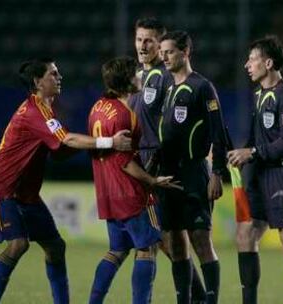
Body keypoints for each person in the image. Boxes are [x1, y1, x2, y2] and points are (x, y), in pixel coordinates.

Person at [0, 57, 132, 304]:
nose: (59, 77)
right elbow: (66, 141)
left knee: (55, 247)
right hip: (2, 191)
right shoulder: (35, 110)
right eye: (53, 74)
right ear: (38, 81)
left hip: (26, 195)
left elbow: (59, 153)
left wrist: (90, 145)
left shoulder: (45, 110)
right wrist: (108, 142)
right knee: (18, 244)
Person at [87, 56, 180, 304]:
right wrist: (151, 180)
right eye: (137, 73)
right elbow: (125, 162)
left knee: (117, 250)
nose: (141, 76)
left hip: (107, 193)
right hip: (130, 194)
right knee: (147, 248)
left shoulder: (97, 108)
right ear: (128, 81)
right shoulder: (124, 114)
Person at [227, 35, 283, 304]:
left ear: (269, 62)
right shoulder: (261, 94)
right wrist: (239, 155)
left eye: (252, 59)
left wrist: (252, 152)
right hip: (259, 174)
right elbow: (258, 139)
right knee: (246, 235)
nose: (247, 65)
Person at [129, 17, 207, 303]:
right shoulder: (137, 77)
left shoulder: (165, 78)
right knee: (162, 238)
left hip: (160, 161)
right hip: (141, 161)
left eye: (149, 40)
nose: (143, 45)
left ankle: (195, 296)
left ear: (161, 46)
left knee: (170, 235)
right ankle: (196, 295)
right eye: (139, 39)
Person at [158, 31, 228, 304]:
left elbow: (218, 133)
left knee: (201, 241)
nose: (164, 57)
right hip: (169, 175)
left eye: (170, 52)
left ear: (185, 52)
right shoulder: (167, 87)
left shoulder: (203, 87)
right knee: (175, 243)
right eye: (162, 52)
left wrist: (217, 173)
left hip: (195, 173)